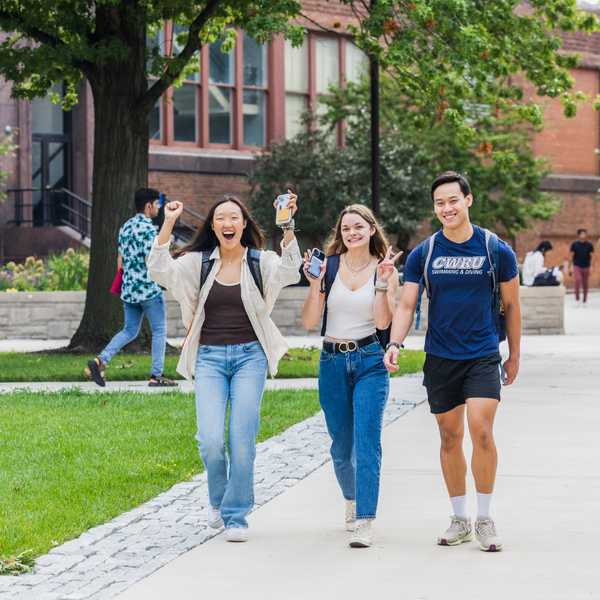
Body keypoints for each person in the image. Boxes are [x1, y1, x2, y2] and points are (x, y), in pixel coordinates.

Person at [147, 193, 302, 542]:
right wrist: (168, 222)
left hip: (251, 357)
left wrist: (287, 224)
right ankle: (217, 501)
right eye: (221, 218)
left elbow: (293, 271)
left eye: (234, 217)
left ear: (244, 224)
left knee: (241, 440)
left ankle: (235, 515)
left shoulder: (260, 262)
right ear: (213, 226)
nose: (228, 223)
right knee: (211, 440)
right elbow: (158, 269)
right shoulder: (197, 263)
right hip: (209, 358)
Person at [384, 171, 521, 552]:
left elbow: (511, 306)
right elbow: (408, 303)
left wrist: (514, 355)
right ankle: (459, 518)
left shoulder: (496, 249)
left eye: (453, 201)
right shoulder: (424, 253)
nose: (447, 208)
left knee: (480, 429)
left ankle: (486, 518)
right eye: (440, 203)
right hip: (441, 356)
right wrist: (395, 342)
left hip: (482, 354)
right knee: (449, 436)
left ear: (468, 200)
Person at [301, 204, 401, 548]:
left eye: (359, 227)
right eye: (346, 229)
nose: (352, 233)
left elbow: (384, 324)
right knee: (341, 449)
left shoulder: (384, 269)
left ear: (372, 229)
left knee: (367, 443)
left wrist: (383, 285)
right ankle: (352, 499)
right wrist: (315, 285)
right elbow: (310, 322)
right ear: (340, 234)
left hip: (370, 360)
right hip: (331, 361)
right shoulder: (329, 267)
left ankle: (365, 520)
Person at [85, 188, 176, 388]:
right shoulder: (150, 229)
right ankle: (156, 375)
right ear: (148, 206)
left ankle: (100, 361)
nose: (158, 208)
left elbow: (120, 262)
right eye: (157, 204)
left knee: (129, 330)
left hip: (129, 289)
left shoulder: (125, 228)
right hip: (149, 289)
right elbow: (150, 259)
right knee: (159, 330)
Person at [569, 229, 594, 306]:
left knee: (585, 284)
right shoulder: (574, 244)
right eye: (582, 234)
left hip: (586, 266)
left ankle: (585, 301)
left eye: (584, 234)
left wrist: (591, 266)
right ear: (579, 235)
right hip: (577, 265)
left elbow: (592, 256)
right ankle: (577, 299)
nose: (583, 235)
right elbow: (571, 255)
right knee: (577, 280)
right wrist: (570, 266)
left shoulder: (589, 244)